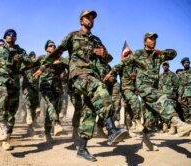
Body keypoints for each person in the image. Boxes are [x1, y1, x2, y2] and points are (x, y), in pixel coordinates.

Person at [34, 10, 128, 162]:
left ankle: (82, 149)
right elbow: (57, 53)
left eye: (92, 18)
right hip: (78, 75)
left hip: (92, 76)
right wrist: (43, 67)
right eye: (87, 17)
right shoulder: (72, 36)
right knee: (100, 88)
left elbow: (108, 58)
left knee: (89, 111)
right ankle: (111, 129)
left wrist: (103, 54)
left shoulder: (97, 40)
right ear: (81, 21)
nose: (90, 20)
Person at [104, 32, 191, 150]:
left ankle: (146, 140)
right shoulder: (138, 54)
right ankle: (180, 125)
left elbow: (174, 53)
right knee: (162, 98)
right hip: (143, 86)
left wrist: (162, 52)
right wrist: (110, 73)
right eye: (150, 39)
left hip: (153, 87)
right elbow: (122, 63)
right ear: (145, 42)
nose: (153, 41)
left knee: (151, 117)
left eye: (154, 39)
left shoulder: (158, 55)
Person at [39, 40, 69, 142]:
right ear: (46, 48)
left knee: (53, 109)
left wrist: (61, 62)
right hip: (45, 84)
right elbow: (29, 66)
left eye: (54, 46)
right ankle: (56, 123)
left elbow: (70, 64)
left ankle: (47, 132)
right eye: (50, 46)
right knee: (51, 102)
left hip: (57, 86)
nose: (53, 47)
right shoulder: (42, 58)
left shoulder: (60, 59)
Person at [178, 57, 191, 138]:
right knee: (185, 113)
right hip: (184, 96)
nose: (186, 64)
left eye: (187, 62)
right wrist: (179, 96)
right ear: (182, 64)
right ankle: (187, 130)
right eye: (184, 63)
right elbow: (180, 85)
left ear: (189, 63)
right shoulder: (182, 73)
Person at [158, 61, 179, 133]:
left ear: (168, 66)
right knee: (163, 111)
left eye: (166, 65)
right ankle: (165, 127)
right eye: (163, 65)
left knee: (172, 111)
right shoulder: (160, 75)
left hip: (171, 96)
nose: (165, 66)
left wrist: (171, 91)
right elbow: (159, 86)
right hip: (162, 96)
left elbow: (176, 85)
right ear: (162, 66)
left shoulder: (172, 74)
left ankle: (173, 128)